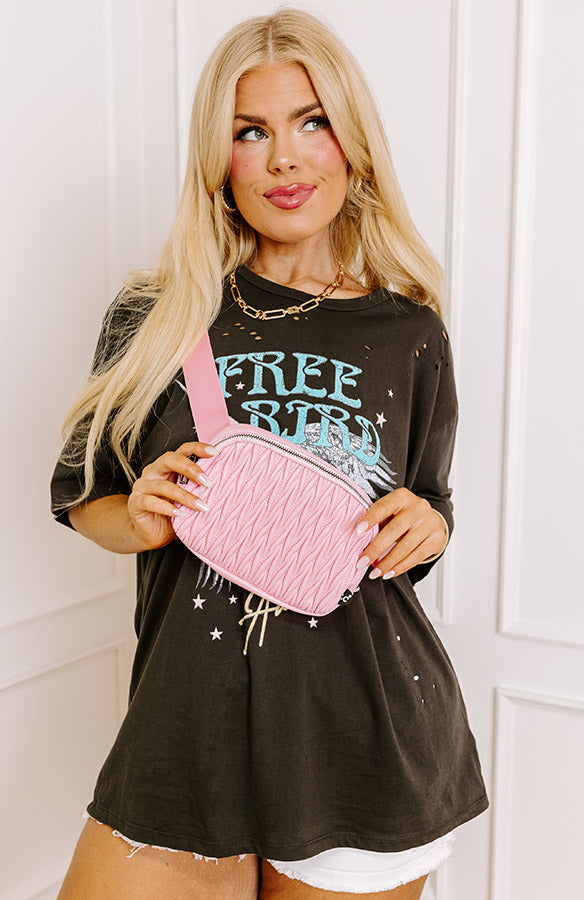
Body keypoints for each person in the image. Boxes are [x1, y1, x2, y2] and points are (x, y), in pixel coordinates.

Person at [51, 8, 488, 898]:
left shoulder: (409, 331)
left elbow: (427, 506)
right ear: (220, 160)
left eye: (312, 122)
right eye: (250, 131)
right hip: (186, 738)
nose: (284, 158)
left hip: (365, 747)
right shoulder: (155, 316)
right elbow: (83, 494)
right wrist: (139, 519)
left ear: (353, 143)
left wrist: (429, 526)